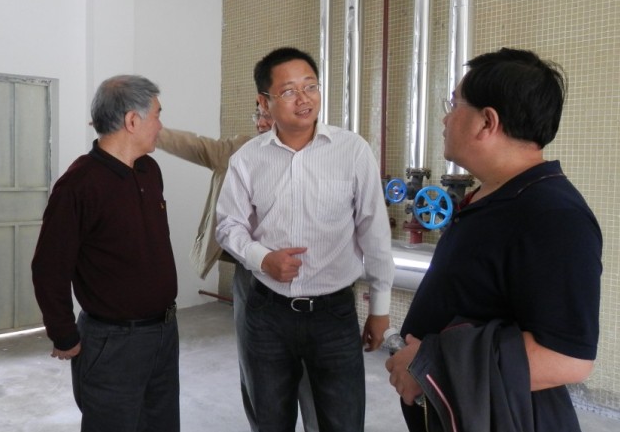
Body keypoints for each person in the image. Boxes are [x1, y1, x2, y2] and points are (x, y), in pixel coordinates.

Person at [386, 48, 602, 432]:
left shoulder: (553, 216)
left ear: (487, 121)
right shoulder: (496, 195)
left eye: (454, 105)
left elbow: (567, 358)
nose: (445, 117)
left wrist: (430, 366)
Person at [216, 47, 395, 432]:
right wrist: (262, 258)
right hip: (267, 313)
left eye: (310, 86)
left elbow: (375, 232)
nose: (304, 99)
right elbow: (228, 225)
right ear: (264, 101)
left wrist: (380, 308)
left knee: (343, 422)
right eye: (289, 91)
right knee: (270, 421)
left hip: (334, 314)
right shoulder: (247, 159)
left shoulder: (352, 151)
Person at [155, 105, 319, 432]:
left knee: (314, 373)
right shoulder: (240, 150)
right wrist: (151, 132)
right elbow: (198, 146)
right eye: (258, 114)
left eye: (270, 115)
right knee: (258, 370)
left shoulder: (323, 155)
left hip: (307, 276)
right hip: (253, 276)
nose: (261, 122)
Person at [31, 74, 180, 432]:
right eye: (157, 115)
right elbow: (49, 267)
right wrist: (63, 333)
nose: (161, 125)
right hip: (113, 342)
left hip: (163, 331)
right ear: (132, 120)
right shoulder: (79, 184)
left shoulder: (149, 169)